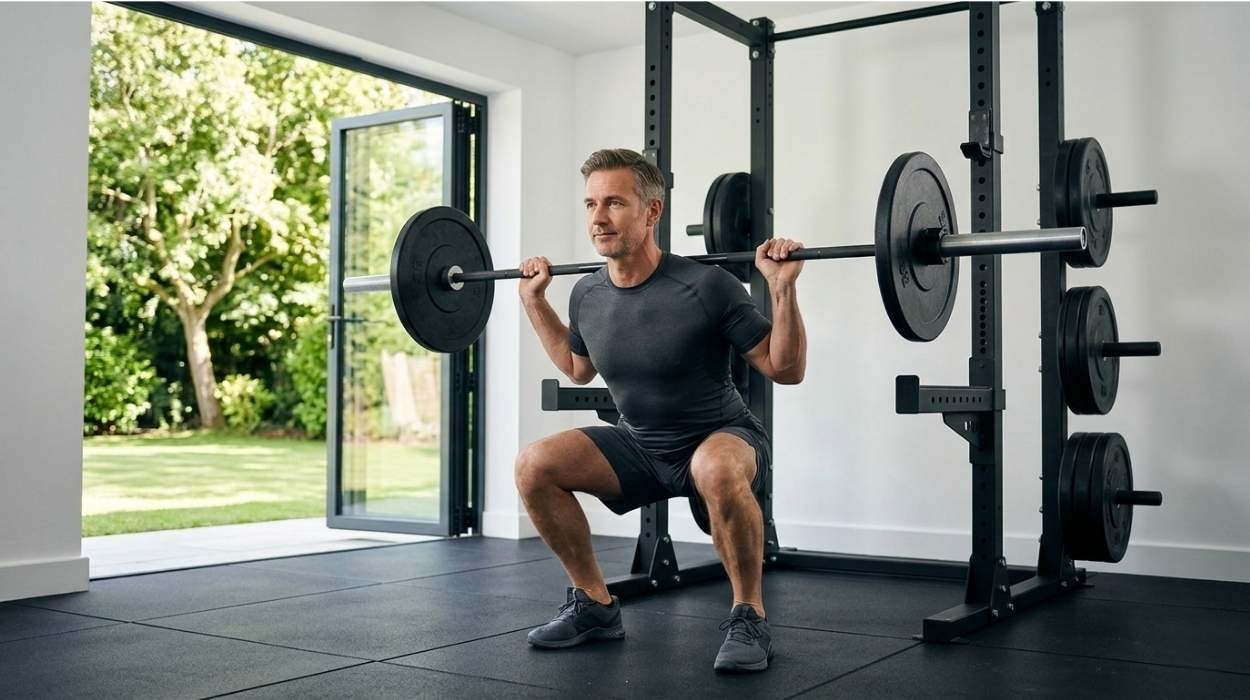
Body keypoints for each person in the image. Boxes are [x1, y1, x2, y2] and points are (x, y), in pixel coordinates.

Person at [514, 148, 806, 673]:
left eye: (614, 203)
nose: (598, 218)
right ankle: (594, 605)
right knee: (534, 464)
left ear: (652, 211)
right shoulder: (587, 293)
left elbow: (784, 369)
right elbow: (577, 368)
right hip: (640, 444)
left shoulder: (706, 286)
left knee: (714, 466)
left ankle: (749, 615)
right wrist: (535, 302)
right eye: (590, 204)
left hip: (720, 435)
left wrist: (782, 290)